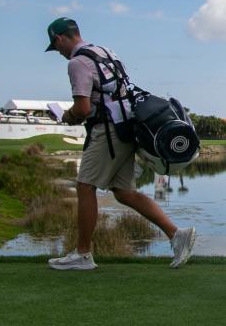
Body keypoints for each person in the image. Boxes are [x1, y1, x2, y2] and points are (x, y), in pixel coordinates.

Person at [43, 17, 196, 271]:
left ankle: (82, 254)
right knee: (124, 192)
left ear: (60, 38)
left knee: (85, 186)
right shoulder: (105, 52)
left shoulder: (77, 63)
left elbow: (82, 108)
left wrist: (66, 117)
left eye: (55, 46)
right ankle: (177, 234)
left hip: (108, 132)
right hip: (126, 128)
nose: (57, 51)